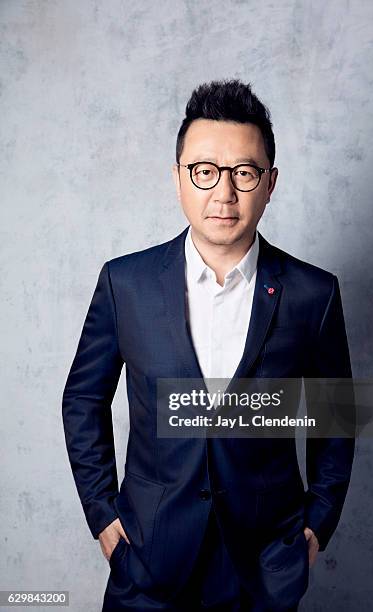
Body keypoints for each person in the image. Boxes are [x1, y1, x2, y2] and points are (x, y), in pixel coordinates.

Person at [62, 79, 355, 612]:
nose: (224, 193)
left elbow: (338, 416)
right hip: (148, 559)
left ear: (270, 183)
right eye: (205, 171)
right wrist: (103, 515)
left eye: (244, 173)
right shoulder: (124, 284)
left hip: (265, 565)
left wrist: (318, 523)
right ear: (178, 179)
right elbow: (83, 400)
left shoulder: (314, 293)